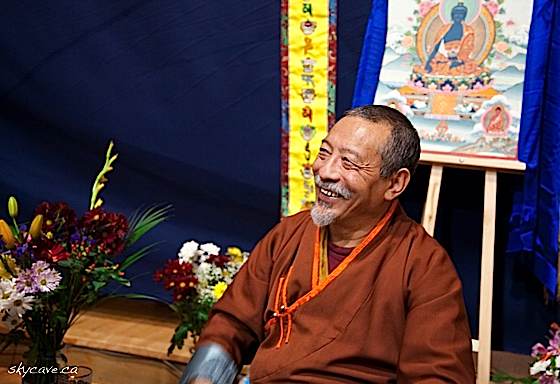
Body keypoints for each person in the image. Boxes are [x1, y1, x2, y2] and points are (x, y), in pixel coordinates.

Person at [180, 105, 475, 383]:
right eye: (325, 153)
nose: (325, 172)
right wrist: (206, 375)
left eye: (349, 162)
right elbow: (233, 322)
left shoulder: (423, 264)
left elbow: (437, 375)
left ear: (395, 184)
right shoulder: (289, 235)